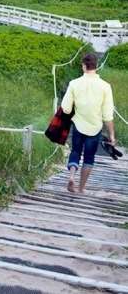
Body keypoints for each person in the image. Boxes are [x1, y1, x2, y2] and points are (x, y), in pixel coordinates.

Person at [61, 52, 116, 194]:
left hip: (78, 125)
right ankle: (80, 188)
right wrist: (111, 135)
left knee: (75, 151)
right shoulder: (105, 86)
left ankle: (72, 176)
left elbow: (66, 108)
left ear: (84, 66)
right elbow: (107, 115)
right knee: (89, 157)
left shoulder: (74, 84)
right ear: (96, 66)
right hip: (95, 127)